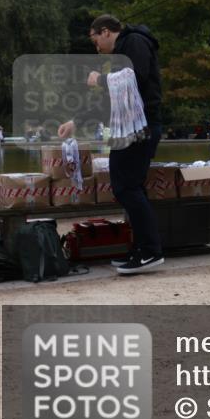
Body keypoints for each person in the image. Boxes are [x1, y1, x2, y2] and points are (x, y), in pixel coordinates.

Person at [58, 14, 164, 274]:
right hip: (131, 127)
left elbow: (134, 79)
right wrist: (77, 120)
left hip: (140, 127)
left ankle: (151, 251)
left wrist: (100, 79)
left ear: (106, 31)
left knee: (126, 187)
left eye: (96, 41)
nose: (97, 48)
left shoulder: (135, 42)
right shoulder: (122, 53)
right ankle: (142, 248)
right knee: (128, 186)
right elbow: (110, 101)